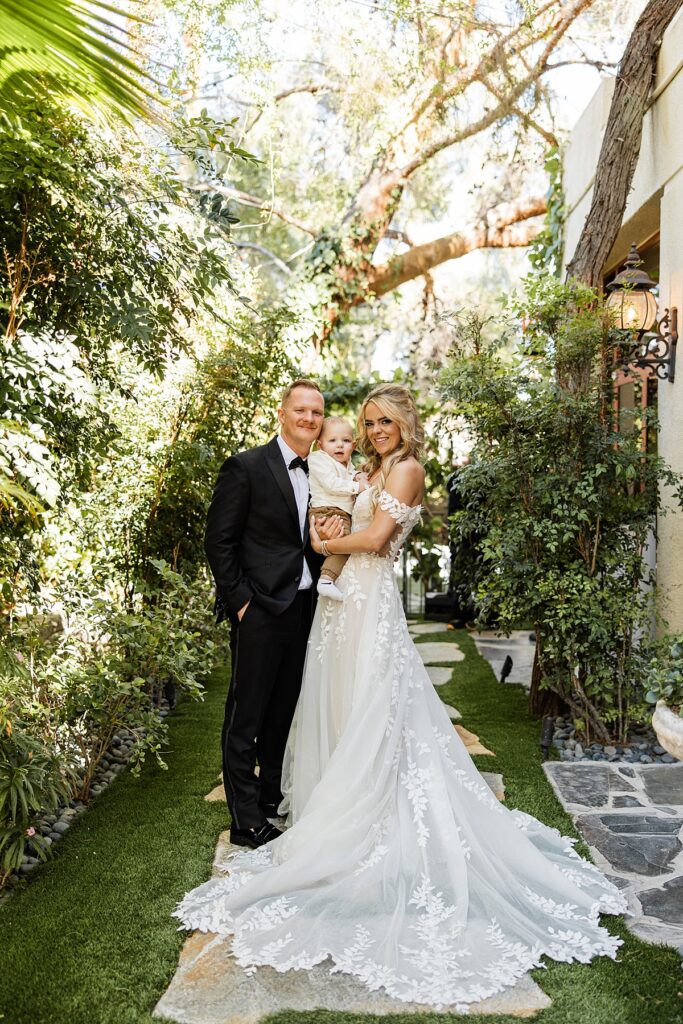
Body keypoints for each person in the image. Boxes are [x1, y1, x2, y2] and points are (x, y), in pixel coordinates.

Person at [177, 383, 626, 1012]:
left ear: (404, 423)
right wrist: (248, 598)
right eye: (367, 421)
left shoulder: (407, 470)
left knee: (372, 707)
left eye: (385, 420)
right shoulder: (354, 467)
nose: (375, 428)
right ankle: (274, 813)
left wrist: (325, 547)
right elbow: (227, 539)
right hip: (326, 609)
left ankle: (366, 814)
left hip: (365, 604)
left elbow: (379, 537)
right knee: (295, 708)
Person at [203, 379, 333, 850]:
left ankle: (273, 796)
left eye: (317, 413)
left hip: (304, 608)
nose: (310, 419)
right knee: (247, 716)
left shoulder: (322, 470)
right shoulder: (246, 467)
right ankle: (244, 820)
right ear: (282, 413)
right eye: (301, 410)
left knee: (284, 714)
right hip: (258, 610)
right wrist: (240, 602)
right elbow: (218, 541)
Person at [308, 415, 368, 602]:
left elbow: (350, 474)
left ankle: (330, 579)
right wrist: (357, 487)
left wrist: (357, 475)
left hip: (339, 512)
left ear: (354, 444)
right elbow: (331, 484)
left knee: (346, 546)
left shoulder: (347, 464)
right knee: (346, 545)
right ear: (320, 444)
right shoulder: (318, 459)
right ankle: (326, 579)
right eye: (332, 440)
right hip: (327, 511)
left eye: (346, 440)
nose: (340, 445)